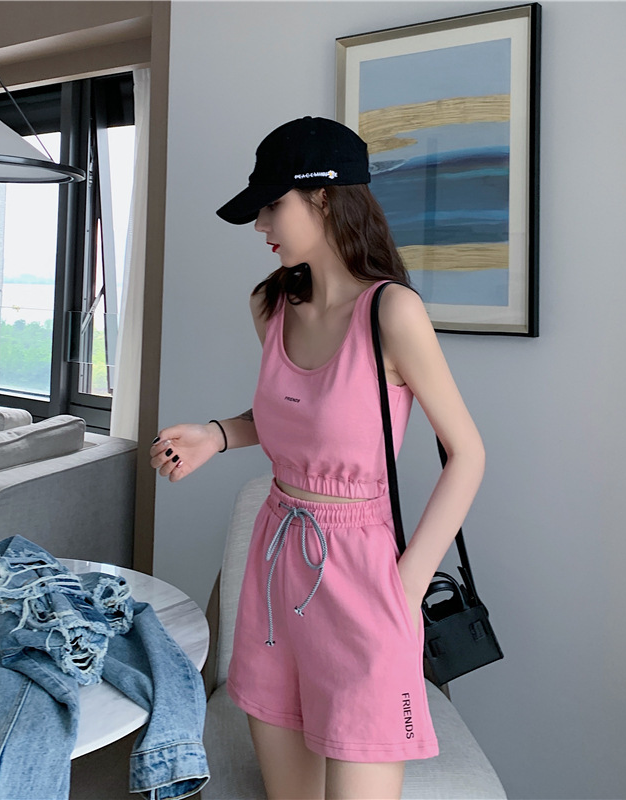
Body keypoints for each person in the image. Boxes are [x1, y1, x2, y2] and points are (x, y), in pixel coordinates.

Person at [150, 116, 485, 800]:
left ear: (324, 197)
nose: (260, 225)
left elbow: (468, 454)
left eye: (272, 205)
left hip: (366, 577)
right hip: (277, 567)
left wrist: (406, 586)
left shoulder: (392, 313)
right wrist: (217, 434)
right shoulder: (270, 305)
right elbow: (301, 420)